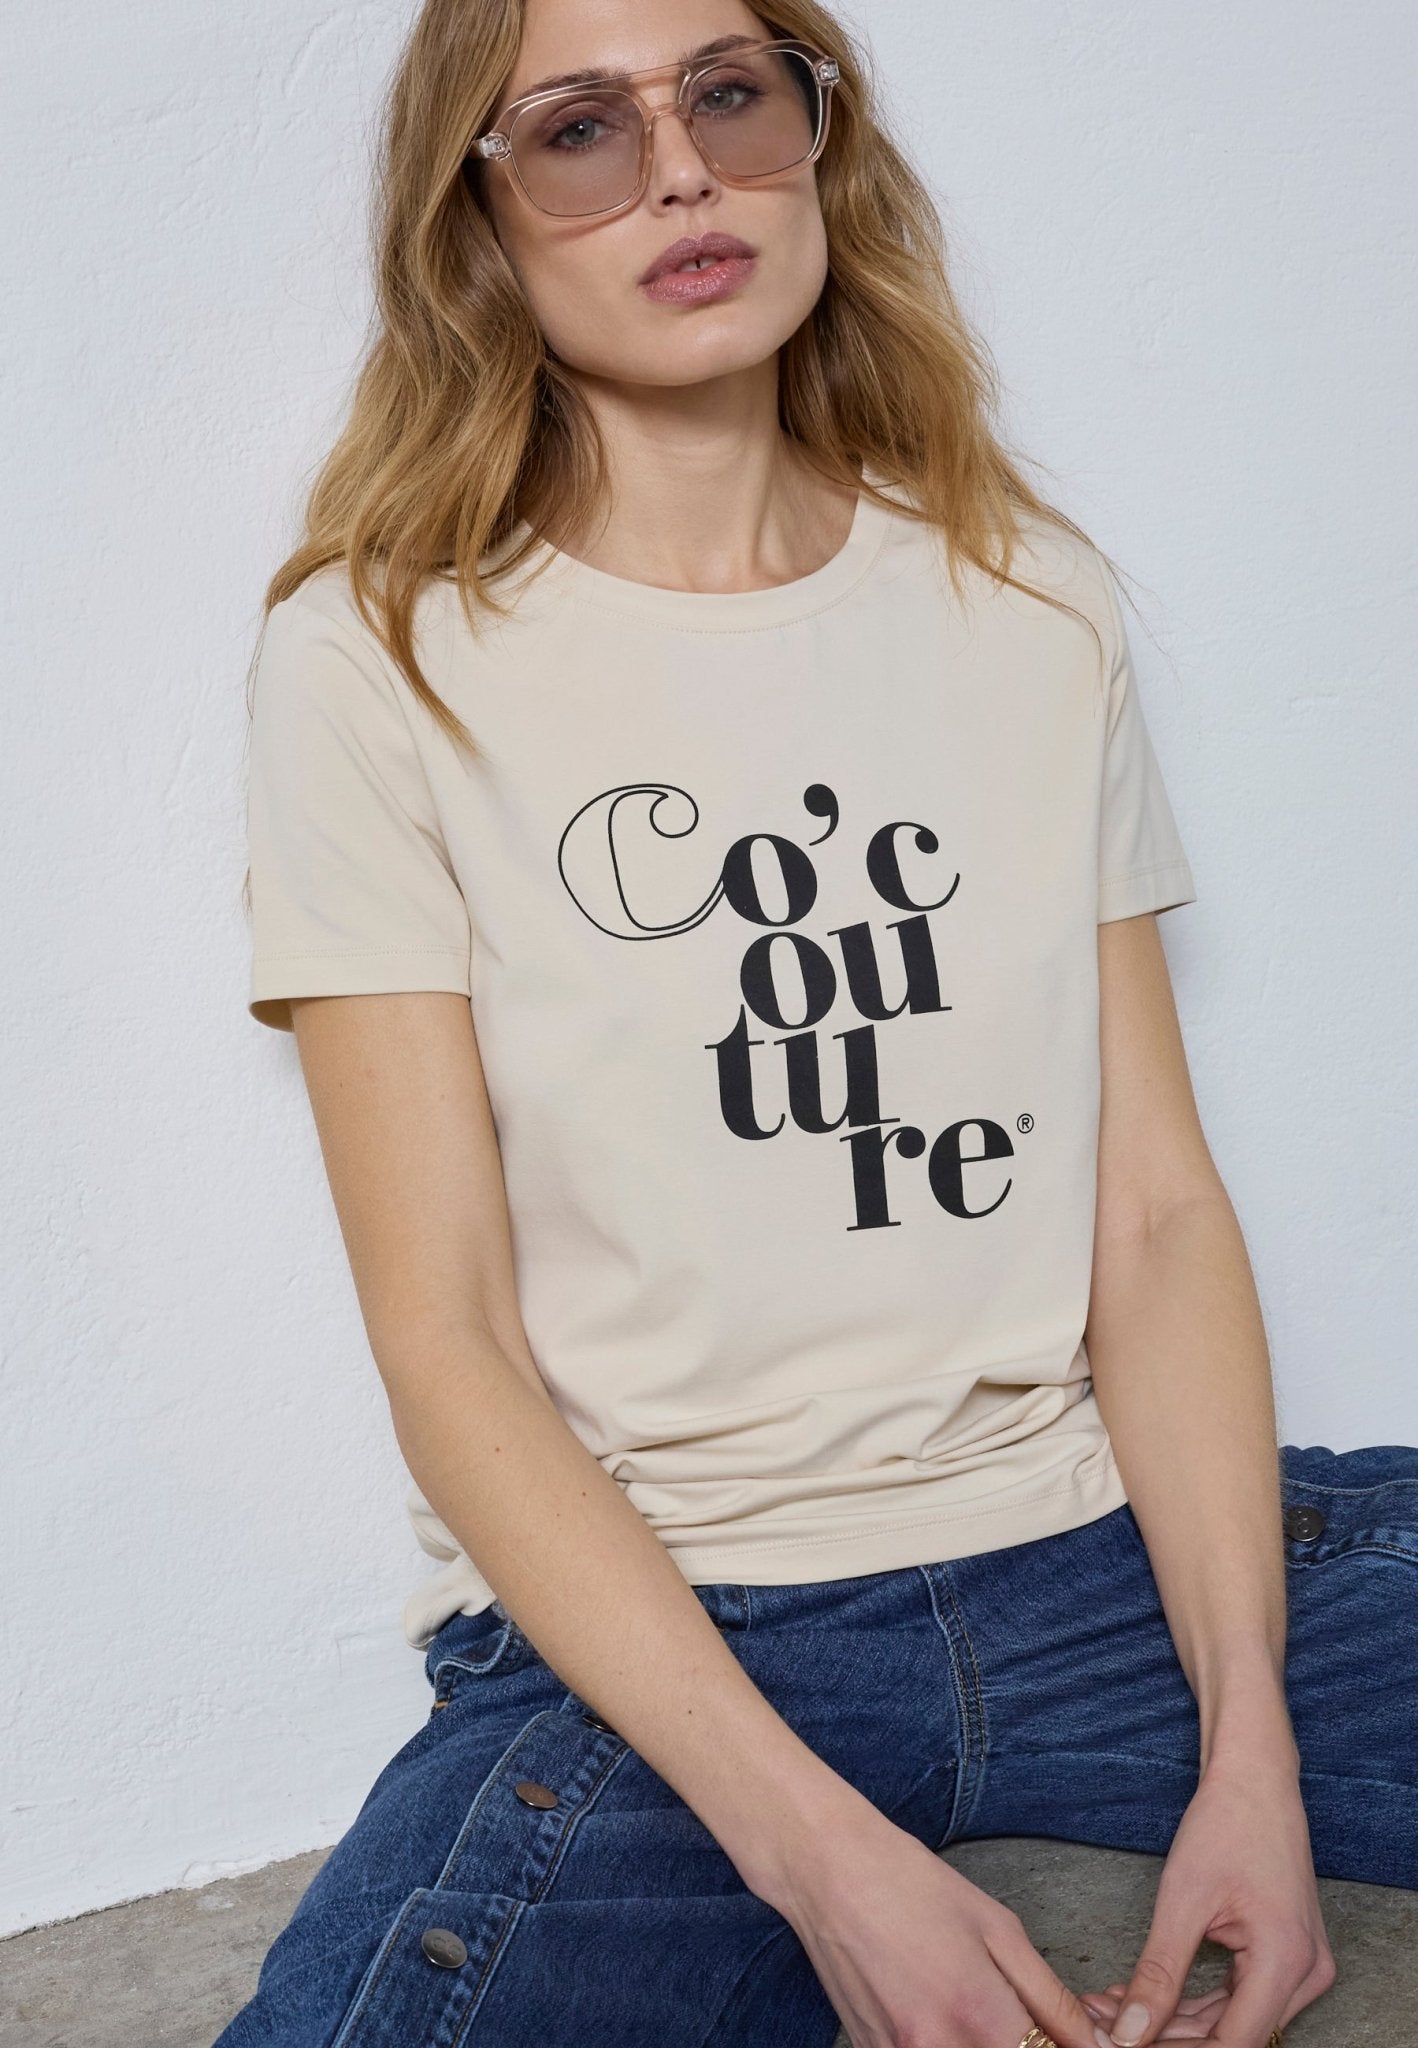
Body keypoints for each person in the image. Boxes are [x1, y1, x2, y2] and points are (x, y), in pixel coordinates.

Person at [218, 2, 1418, 2044]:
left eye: (728, 95)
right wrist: (818, 1857)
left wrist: (1253, 1749)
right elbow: (448, 1340)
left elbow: (1149, 1216)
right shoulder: (376, 655)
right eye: (579, 129)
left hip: (1098, 1550)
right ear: (474, 224)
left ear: (813, 142)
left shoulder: (1024, 598)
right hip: (672, 1619)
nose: (682, 169)